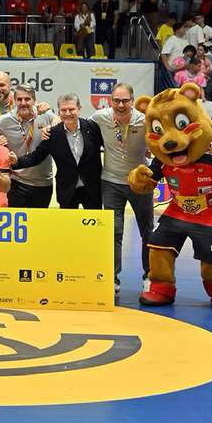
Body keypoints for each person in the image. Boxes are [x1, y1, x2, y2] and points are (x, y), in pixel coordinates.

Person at [90, 83, 154, 292]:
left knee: (147, 230)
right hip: (111, 182)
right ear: (111, 100)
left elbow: (164, 135)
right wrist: (51, 122)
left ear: (132, 101)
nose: (120, 105)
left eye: (125, 101)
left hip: (140, 183)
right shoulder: (100, 117)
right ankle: (112, 278)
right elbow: (77, 126)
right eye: (116, 100)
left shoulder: (144, 120)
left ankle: (150, 276)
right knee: (113, 232)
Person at [11, 93, 103, 209]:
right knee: (67, 221)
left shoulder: (93, 128)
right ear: (59, 112)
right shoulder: (53, 134)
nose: (67, 113)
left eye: (71, 109)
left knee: (95, 221)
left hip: (93, 189)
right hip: (67, 190)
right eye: (63, 110)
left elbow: (108, 146)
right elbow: (36, 157)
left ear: (79, 109)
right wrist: (16, 161)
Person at [0, 85, 58, 208]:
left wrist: (52, 126)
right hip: (17, 181)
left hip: (43, 183)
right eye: (19, 99)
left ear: (34, 100)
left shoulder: (45, 115)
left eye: (27, 99)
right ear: (14, 101)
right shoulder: (5, 120)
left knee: (38, 220)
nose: (23, 103)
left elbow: (60, 122)